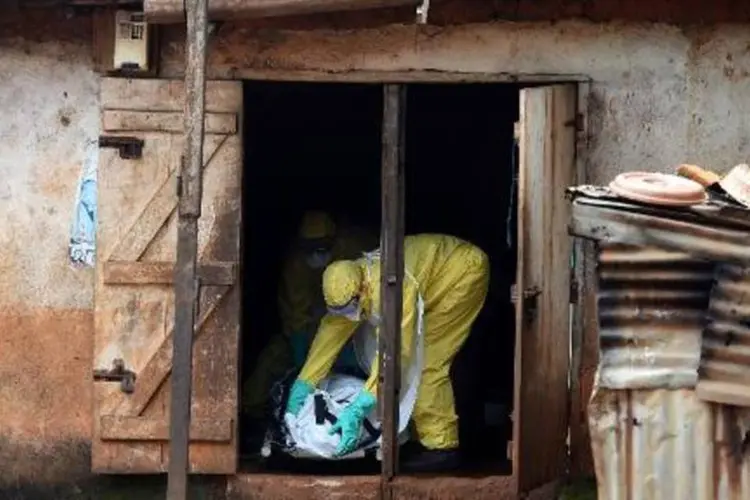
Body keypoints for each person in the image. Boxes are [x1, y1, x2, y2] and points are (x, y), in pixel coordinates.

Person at [285, 234, 490, 471]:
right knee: (410, 362)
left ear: (362, 288)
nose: (347, 314)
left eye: (351, 307)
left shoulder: (393, 290)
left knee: (427, 363)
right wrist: (304, 383)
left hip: (461, 273)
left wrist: (362, 403)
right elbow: (330, 336)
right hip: (435, 273)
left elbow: (396, 353)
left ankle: (441, 447)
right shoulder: (349, 287)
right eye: (339, 309)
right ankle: (421, 435)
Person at [242, 211, 377, 421]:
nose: (317, 253)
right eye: (311, 248)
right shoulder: (296, 265)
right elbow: (296, 312)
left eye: (323, 246)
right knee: (273, 358)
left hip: (360, 324)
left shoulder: (356, 247)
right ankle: (249, 413)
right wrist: (300, 352)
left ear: (336, 239)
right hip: (317, 326)